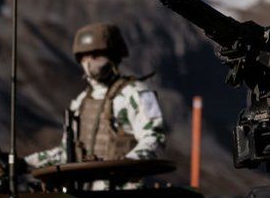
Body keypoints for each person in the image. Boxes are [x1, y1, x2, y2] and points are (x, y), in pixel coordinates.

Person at [23, 23, 166, 179]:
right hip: (85, 191)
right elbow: (66, 154)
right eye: (84, 56)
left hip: (124, 191)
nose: (89, 62)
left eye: (97, 55)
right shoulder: (81, 102)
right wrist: (25, 163)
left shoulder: (135, 93)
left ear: (113, 56)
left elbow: (154, 138)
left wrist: (129, 163)